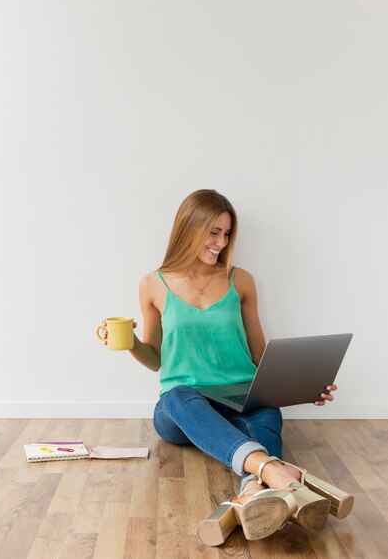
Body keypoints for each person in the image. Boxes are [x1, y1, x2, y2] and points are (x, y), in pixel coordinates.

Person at [128, 189, 353, 545]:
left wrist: (305, 385)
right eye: (213, 232)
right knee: (177, 394)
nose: (221, 242)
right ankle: (272, 470)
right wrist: (131, 344)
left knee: (267, 409)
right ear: (189, 228)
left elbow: (259, 351)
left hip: (243, 397)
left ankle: (254, 491)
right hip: (183, 411)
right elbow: (155, 358)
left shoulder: (240, 280)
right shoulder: (152, 284)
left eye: (227, 233)